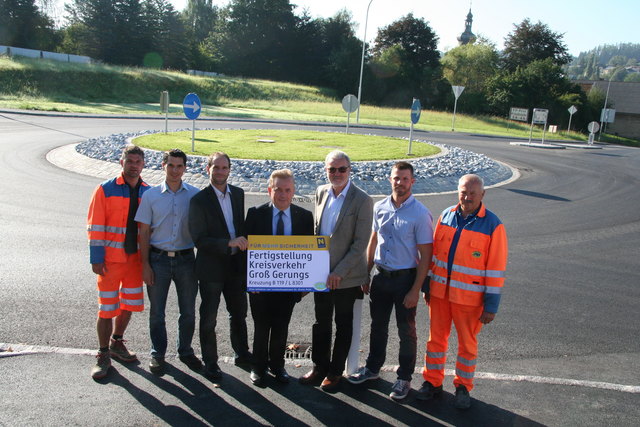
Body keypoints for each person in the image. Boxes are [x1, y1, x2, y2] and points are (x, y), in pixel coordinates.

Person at [417, 174, 508, 409]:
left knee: (467, 344)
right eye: (463, 193)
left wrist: (491, 306)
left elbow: (496, 269)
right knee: (435, 341)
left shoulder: (493, 225)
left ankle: (463, 387)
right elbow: (434, 256)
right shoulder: (446, 216)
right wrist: (427, 286)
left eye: (472, 194)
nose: (467, 198)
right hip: (439, 295)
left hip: (469, 299)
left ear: (483, 195)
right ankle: (432, 382)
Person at [347, 161, 433, 401]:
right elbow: (373, 241)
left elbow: (426, 256)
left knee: (406, 331)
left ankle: (404, 378)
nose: (400, 183)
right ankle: (373, 369)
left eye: (405, 179)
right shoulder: (380, 207)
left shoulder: (420, 213)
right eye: (396, 178)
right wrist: (366, 272)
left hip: (406, 280)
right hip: (380, 277)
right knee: (378, 327)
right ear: (390, 179)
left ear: (412, 182)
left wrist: (416, 289)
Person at [299, 150, 373, 392]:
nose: (337, 173)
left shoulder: (362, 199)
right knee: (321, 323)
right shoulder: (321, 192)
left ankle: (335, 371)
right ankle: (319, 366)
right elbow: (318, 234)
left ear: (350, 170)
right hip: (321, 274)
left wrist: (338, 272)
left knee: (343, 324)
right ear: (326, 170)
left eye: (342, 169)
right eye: (332, 169)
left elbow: (360, 243)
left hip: (347, 277)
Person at [245, 169, 314, 386]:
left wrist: (306, 285)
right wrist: (250, 280)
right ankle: (258, 367)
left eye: (287, 190)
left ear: (293, 192)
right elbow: (246, 251)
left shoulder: (304, 217)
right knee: (261, 327)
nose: (282, 195)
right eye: (278, 190)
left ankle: (277, 366)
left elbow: (308, 254)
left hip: (288, 287)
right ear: (269, 191)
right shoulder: (255, 214)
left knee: (281, 327)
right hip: (260, 286)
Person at [135, 149, 201, 374]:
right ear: (163, 166)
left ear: (185, 168)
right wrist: (144, 265)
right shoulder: (151, 196)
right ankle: (158, 353)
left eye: (179, 166)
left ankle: (186, 351)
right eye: (171, 165)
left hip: (186, 260)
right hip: (158, 259)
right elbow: (143, 233)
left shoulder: (195, 195)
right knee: (157, 312)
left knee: (189, 311)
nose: (175, 170)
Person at [87, 145, 150, 380]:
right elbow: (95, 225)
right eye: (129, 161)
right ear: (121, 162)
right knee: (106, 308)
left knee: (128, 304)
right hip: (110, 261)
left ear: (143, 165)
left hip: (135, 261)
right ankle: (103, 354)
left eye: (138, 161)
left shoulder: (148, 192)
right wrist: (96, 258)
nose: (133, 165)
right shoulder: (105, 189)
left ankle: (116, 342)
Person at [188, 152, 251, 381]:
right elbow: (199, 239)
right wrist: (228, 243)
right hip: (211, 269)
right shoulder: (198, 200)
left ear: (229, 170)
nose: (220, 171)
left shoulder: (238, 194)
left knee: (239, 314)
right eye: (216, 167)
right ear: (208, 169)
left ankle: (242, 354)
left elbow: (241, 227)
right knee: (209, 317)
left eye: (224, 167)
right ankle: (211, 362)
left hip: (235, 267)